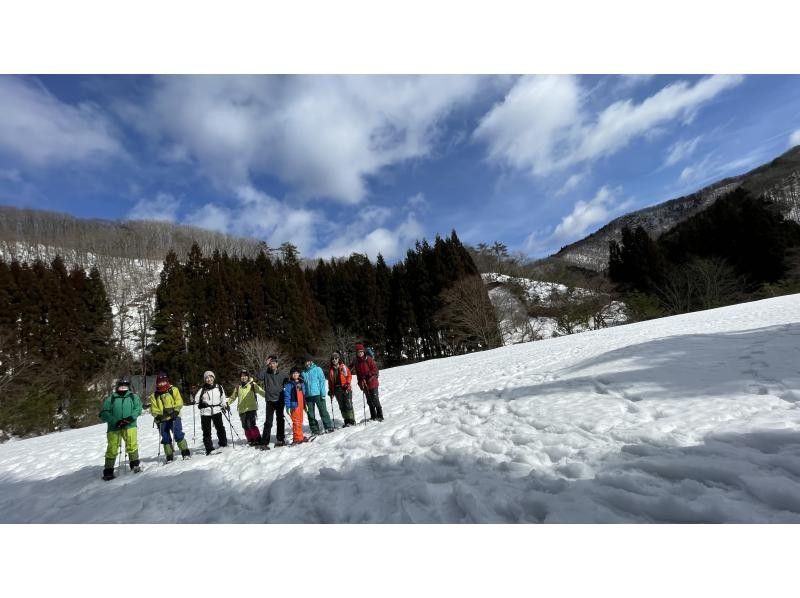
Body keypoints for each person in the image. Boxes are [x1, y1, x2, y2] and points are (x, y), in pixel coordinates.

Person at [98, 377, 143, 480]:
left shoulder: (133, 397)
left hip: (130, 426)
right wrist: (115, 421)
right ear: (117, 386)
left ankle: (135, 465)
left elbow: (138, 408)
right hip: (114, 428)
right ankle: (108, 470)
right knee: (112, 448)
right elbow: (104, 412)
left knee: (132, 445)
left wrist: (130, 418)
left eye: (125, 386)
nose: (123, 388)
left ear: (128, 387)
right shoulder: (111, 398)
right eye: (121, 386)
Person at [149, 372, 191, 462]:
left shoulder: (173, 390)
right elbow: (153, 409)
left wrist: (175, 410)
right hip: (162, 419)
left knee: (178, 433)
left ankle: (185, 451)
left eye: (163, 382)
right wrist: (160, 414)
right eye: (160, 383)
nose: (162, 384)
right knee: (165, 437)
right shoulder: (154, 395)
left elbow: (179, 401)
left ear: (167, 381)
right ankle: (169, 455)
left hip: (175, 416)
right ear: (157, 383)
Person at [194, 370, 229, 455]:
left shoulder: (219, 387)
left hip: (217, 410)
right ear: (205, 379)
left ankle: (223, 443)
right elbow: (196, 399)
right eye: (207, 378)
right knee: (206, 431)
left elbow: (223, 398)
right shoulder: (202, 389)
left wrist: (225, 405)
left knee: (220, 428)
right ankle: (209, 449)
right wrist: (201, 403)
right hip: (205, 412)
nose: (209, 379)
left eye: (210, 377)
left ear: (213, 378)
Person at [228, 369, 265, 446]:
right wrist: (226, 403)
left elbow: (261, 391)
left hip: (251, 408)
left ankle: (257, 438)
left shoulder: (252, 385)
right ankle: (250, 439)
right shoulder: (238, 387)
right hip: (242, 410)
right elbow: (232, 397)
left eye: (245, 376)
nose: (243, 377)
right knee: (245, 425)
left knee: (251, 424)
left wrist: (269, 396)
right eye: (242, 376)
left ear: (248, 377)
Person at [302, 355, 333, 434]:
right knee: (310, 414)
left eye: (308, 361)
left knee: (323, 411)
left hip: (318, 394)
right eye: (305, 362)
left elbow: (322, 381)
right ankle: (315, 429)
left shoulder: (317, 369)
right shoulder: (303, 373)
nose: (307, 363)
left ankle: (328, 426)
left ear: (311, 361)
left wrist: (323, 393)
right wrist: (304, 396)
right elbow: (303, 385)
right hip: (308, 397)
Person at [352, 343, 383, 421]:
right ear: (356, 353)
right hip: (365, 384)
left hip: (372, 382)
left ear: (364, 352)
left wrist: (369, 374)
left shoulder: (368, 359)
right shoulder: (356, 363)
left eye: (361, 351)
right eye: (358, 352)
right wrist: (360, 384)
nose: (360, 353)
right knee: (369, 400)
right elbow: (358, 375)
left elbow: (375, 369)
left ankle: (380, 415)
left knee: (375, 398)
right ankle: (373, 416)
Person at [260, 356, 286, 447]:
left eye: (274, 363)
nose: (272, 365)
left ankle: (280, 439)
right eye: (270, 363)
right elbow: (259, 376)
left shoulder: (282, 374)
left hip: (279, 400)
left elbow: (289, 380)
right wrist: (265, 365)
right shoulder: (266, 373)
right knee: (268, 422)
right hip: (270, 401)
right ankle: (264, 442)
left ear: (277, 364)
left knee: (280, 420)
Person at [328, 352, 356, 427]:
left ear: (338, 359)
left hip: (345, 388)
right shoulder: (331, 370)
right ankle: (346, 421)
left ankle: (352, 421)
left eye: (336, 358)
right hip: (337, 390)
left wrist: (347, 383)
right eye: (333, 359)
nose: (334, 360)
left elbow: (349, 375)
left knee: (348, 404)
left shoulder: (343, 367)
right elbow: (330, 382)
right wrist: (330, 390)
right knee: (342, 406)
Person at [283, 366, 308, 444]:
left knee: (300, 421)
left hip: (301, 404)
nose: (295, 375)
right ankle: (297, 438)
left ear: (299, 374)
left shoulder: (301, 382)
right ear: (291, 375)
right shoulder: (289, 384)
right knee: (296, 422)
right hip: (294, 405)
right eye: (293, 373)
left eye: (297, 373)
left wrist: (305, 404)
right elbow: (287, 396)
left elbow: (303, 394)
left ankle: (300, 436)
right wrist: (288, 407)